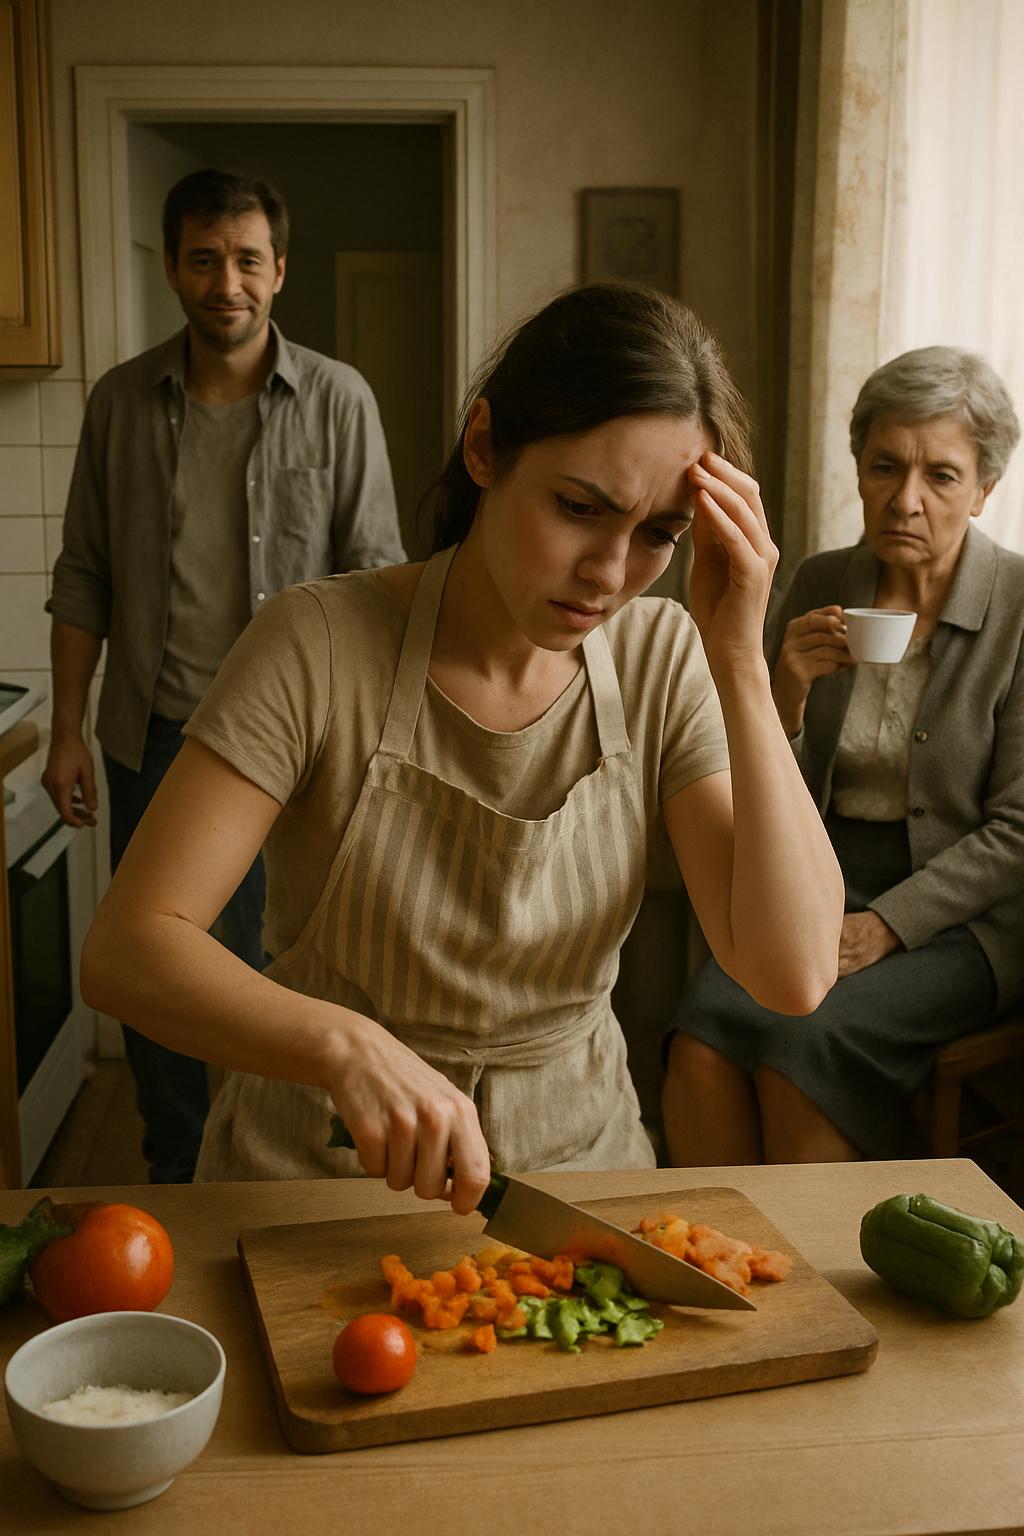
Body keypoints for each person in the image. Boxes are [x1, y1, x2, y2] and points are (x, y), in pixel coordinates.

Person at [79, 282, 843, 1212]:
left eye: (658, 534)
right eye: (578, 507)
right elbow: (129, 949)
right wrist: (345, 1046)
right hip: (318, 1183)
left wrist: (741, 663)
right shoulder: (315, 644)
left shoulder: (665, 655)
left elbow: (795, 972)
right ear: (484, 446)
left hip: (579, 1187)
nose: (608, 574)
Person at [44, 168, 405, 1183]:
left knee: (283, 965)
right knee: (155, 974)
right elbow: (83, 576)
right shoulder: (120, 403)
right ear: (171, 267)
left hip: (304, 754)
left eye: (247, 260)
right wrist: (66, 728)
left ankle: (267, 1171)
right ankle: (175, 1171)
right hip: (155, 737)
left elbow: (377, 578)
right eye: (204, 260)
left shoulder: (338, 400)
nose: (227, 283)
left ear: (280, 270)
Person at [663, 345, 1024, 1166]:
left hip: (961, 918)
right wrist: (784, 692)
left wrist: (887, 926)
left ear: (984, 490)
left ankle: (816, 1253)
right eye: (885, 466)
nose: (905, 499)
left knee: (803, 1053)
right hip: (821, 875)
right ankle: (714, 1239)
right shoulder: (823, 580)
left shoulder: (1018, 608)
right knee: (702, 1036)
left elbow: (1017, 832)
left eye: (941, 476)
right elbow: (764, 785)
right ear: (858, 468)